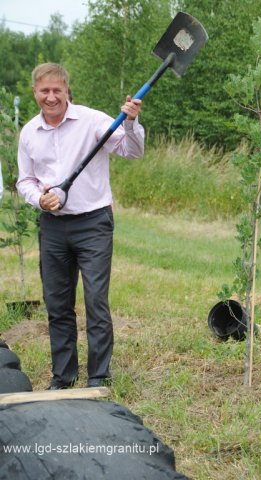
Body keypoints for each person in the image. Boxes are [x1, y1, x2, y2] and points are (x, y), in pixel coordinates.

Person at [17, 63, 144, 389]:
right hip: (54, 227)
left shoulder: (92, 121)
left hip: (93, 224)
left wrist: (131, 122)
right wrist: (38, 199)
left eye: (56, 90)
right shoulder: (29, 132)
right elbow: (25, 180)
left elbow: (132, 151)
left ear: (66, 90)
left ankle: (98, 377)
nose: (50, 97)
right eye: (44, 91)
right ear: (35, 93)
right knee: (58, 305)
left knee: (96, 302)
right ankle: (64, 376)